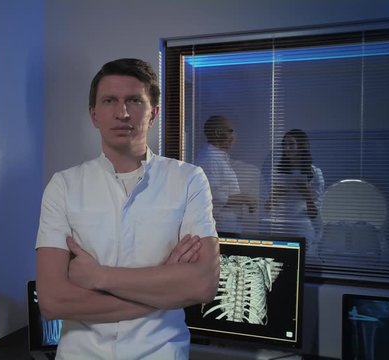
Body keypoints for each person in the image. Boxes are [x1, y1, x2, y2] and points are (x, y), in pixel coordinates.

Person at [35, 58, 220, 359]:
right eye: (109, 101)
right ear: (94, 114)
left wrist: (99, 276)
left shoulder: (188, 180)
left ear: (153, 113)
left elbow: (202, 284)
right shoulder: (64, 186)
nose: (122, 113)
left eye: (134, 101)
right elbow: (53, 301)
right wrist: (166, 290)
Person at [260, 128, 324, 247]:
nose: (286, 148)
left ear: (301, 146)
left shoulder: (315, 174)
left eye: (291, 144)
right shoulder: (276, 173)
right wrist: (275, 196)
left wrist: (307, 196)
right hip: (278, 230)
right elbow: (266, 209)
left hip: (301, 230)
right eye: (284, 144)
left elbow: (315, 214)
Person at [195, 115, 254, 234]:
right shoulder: (210, 159)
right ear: (218, 132)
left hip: (229, 227)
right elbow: (215, 197)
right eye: (231, 131)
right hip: (221, 229)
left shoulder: (218, 157)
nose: (234, 136)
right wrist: (245, 198)